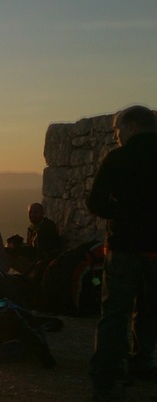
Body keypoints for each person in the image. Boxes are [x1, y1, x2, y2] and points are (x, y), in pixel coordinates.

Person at [87, 105, 157, 401]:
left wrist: (123, 214)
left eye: (118, 130)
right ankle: (144, 361)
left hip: (125, 246)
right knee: (151, 308)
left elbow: (95, 202)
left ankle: (106, 374)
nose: (117, 136)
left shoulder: (119, 157)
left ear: (131, 127)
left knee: (115, 310)